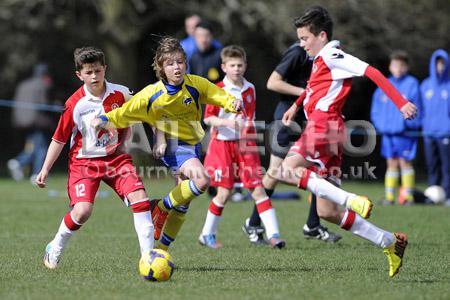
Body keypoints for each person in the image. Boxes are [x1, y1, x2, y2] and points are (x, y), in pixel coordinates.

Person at [272, 6, 417, 277]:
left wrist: (401, 103)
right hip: (329, 128)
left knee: (285, 170)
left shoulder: (333, 54)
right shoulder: (321, 58)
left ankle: (352, 199)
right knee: (326, 210)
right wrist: (297, 104)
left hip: (323, 125)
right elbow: (315, 87)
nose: (302, 45)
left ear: (322, 35)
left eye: (305, 39)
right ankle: (389, 242)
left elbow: (371, 72)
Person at [91, 37, 242, 251]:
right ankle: (160, 208)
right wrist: (105, 119)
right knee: (202, 180)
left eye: (180, 61)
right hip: (172, 146)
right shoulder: (152, 94)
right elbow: (126, 111)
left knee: (182, 204)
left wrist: (232, 103)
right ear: (161, 67)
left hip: (192, 145)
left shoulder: (196, 84)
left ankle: (161, 251)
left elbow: (219, 95)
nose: (176, 67)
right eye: (170, 63)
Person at [36, 47, 155, 269]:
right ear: (79, 75)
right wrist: (44, 169)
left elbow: (144, 108)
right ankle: (56, 245)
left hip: (116, 160)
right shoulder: (74, 104)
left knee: (140, 200)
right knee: (82, 212)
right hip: (84, 163)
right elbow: (59, 139)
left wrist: (149, 136)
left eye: (98, 71)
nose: (94, 76)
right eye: (89, 72)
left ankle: (148, 259)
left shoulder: (122, 93)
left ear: (105, 69)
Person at [242, 33, 341, 245]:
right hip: (287, 120)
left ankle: (313, 225)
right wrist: (306, 93)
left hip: (310, 120)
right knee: (276, 173)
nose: (304, 41)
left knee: (319, 169)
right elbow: (273, 82)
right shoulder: (298, 52)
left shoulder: (326, 56)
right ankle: (252, 222)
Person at [198, 45, 285, 249]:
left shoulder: (250, 89)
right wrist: (227, 123)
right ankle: (206, 234)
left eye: (240, 65)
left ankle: (274, 235)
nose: (236, 69)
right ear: (224, 67)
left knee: (257, 189)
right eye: (232, 65)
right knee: (225, 192)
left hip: (245, 146)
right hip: (222, 146)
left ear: (245, 66)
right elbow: (208, 118)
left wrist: (249, 127)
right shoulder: (218, 89)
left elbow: (250, 116)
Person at [371, 50, 421, 205]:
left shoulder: (412, 84)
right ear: (390, 66)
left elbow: (418, 108)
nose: (398, 68)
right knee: (391, 163)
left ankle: (408, 197)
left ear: (406, 67)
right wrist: (382, 126)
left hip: (405, 133)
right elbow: (376, 110)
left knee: (405, 163)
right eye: (395, 65)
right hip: (388, 134)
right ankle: (390, 197)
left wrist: (406, 125)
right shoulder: (384, 84)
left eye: (401, 65)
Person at [7, 63, 52, 183]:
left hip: (20, 121)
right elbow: (43, 104)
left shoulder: (23, 84)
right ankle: (33, 171)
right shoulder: (42, 84)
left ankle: (18, 163)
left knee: (34, 146)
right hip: (35, 121)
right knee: (41, 148)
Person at [420, 49, 450, 204]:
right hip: (428, 132)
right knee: (431, 165)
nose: (440, 67)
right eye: (438, 64)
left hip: (446, 133)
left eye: (443, 64)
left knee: (447, 166)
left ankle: (448, 196)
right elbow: (420, 109)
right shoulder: (425, 85)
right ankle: (432, 195)